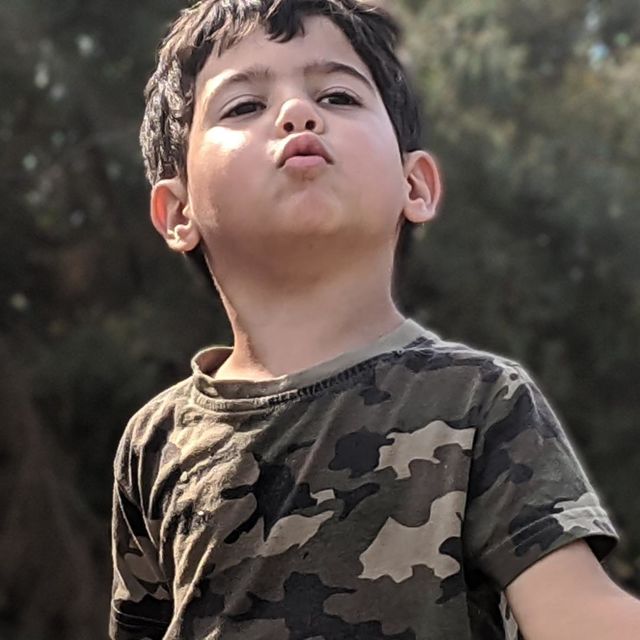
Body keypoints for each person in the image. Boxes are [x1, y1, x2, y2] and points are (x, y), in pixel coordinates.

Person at [109, 1, 639, 638]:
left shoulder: (480, 400)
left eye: (337, 96)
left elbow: (579, 616)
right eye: (244, 105)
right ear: (177, 213)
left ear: (415, 186)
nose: (297, 113)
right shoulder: (155, 441)